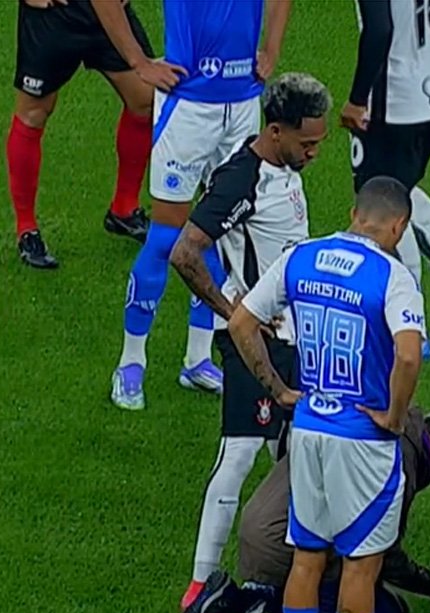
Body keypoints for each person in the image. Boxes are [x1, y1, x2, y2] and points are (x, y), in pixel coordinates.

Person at [229, 176, 425, 613]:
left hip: (309, 428)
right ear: (399, 226)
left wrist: (279, 389)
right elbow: (408, 357)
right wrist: (392, 413)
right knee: (361, 564)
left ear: (353, 212)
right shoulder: (393, 276)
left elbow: (242, 322)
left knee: (308, 557)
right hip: (362, 439)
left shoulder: (302, 257)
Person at [166, 72, 330, 611]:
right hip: (255, 346)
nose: (314, 152)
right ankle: (200, 582)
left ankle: (293, 572)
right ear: (277, 130)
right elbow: (185, 254)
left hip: (298, 344)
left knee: (297, 460)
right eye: (307, 143)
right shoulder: (242, 178)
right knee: (237, 459)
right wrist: (236, 314)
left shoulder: (284, 166)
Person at [180, 402, 430, 613]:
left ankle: (237, 598)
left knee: (390, 604)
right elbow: (383, 554)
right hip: (287, 547)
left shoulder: (387, 416)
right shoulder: (399, 457)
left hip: (262, 533)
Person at [109, 0, 293, 410]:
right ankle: (131, 361)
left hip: (244, 103)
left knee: (223, 234)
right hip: (188, 105)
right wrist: (138, 62)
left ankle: (197, 358)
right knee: (166, 236)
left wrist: (272, 48)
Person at [342, 0, 430, 345]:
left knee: (379, 200)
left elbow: (380, 30)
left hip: (395, 102)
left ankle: (410, 325)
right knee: (403, 189)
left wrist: (357, 98)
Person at [8, 0, 179, 268]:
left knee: (144, 99)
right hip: (54, 15)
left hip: (109, 12)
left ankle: (124, 209)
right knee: (34, 113)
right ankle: (26, 228)